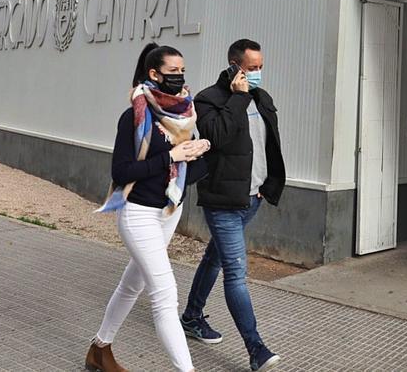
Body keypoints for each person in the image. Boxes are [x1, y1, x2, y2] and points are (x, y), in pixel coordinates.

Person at [85, 43, 211, 372]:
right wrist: (171, 156)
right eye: (172, 72)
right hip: (138, 213)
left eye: (182, 71)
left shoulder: (185, 115)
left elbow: (189, 171)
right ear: (154, 74)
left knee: (134, 284)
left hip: (169, 211)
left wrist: (198, 154)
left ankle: (100, 348)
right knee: (165, 295)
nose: (180, 77)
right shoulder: (134, 116)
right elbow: (122, 172)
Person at [180, 38, 285, 372]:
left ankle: (192, 316)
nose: (257, 74)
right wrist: (238, 97)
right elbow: (217, 137)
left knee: (214, 257)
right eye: (252, 68)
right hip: (222, 201)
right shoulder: (209, 99)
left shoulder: (262, 98)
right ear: (234, 66)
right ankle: (256, 350)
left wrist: (267, 187)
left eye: (260, 68)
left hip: (250, 198)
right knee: (236, 273)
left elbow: (269, 145)